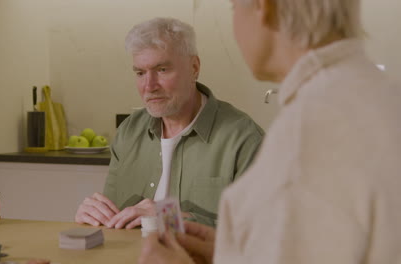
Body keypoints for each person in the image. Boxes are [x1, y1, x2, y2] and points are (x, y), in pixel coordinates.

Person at [138, 0, 401, 263]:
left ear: (264, 7)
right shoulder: (377, 97)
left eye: (233, 7)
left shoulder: (306, 136)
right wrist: (237, 253)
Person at [75, 17, 264, 229]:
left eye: (162, 70)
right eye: (140, 73)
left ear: (194, 68)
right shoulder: (128, 132)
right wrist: (95, 216)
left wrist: (168, 216)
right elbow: (115, 221)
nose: (149, 86)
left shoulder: (244, 138)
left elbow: (259, 233)